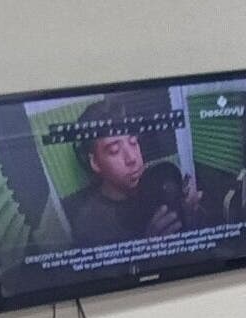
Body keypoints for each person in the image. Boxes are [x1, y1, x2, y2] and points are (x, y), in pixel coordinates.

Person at [62, 99, 209, 248]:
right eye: (114, 151)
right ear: (95, 162)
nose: (132, 158)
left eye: (133, 142)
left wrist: (191, 221)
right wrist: (147, 248)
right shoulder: (89, 225)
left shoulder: (158, 179)